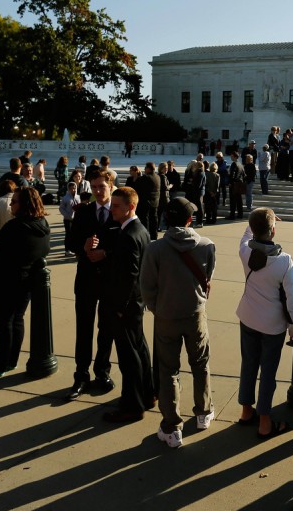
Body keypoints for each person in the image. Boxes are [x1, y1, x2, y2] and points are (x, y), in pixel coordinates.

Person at [141, 197, 216, 449]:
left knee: (168, 370)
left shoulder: (155, 249)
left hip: (166, 316)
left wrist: (158, 307)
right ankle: (203, 411)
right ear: (189, 219)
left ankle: (172, 426)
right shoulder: (206, 245)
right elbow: (207, 278)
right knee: (200, 362)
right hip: (195, 313)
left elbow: (146, 286)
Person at [91, 186, 157, 422]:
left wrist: (118, 307)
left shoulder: (128, 236)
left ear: (131, 207)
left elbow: (129, 276)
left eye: (117, 206)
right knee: (140, 350)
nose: (112, 209)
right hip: (136, 303)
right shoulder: (141, 231)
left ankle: (132, 406)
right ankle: (148, 394)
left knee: (129, 358)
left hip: (125, 306)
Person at [235, 208, 293, 438]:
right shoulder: (284, 261)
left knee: (248, 365)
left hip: (248, 317)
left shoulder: (245, 252)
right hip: (272, 325)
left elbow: (245, 237)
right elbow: (291, 299)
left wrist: (256, 221)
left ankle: (246, 411)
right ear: (273, 230)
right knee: (268, 372)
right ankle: (265, 422)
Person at [0, 187, 50, 379]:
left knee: (4, 324)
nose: (11, 204)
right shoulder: (42, 224)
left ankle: (0, 364)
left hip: (6, 281)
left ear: (25, 204)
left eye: (15, 201)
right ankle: (11, 360)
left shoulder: (16, 226)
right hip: (26, 282)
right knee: (16, 320)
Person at [64, 171, 122, 400]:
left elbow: (131, 245)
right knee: (84, 327)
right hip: (86, 279)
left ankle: (102, 371)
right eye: (95, 187)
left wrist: (105, 253)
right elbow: (70, 241)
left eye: (102, 187)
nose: (98, 191)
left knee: (106, 329)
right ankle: (81, 374)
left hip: (109, 280)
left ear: (111, 186)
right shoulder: (84, 212)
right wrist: (84, 246)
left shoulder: (119, 212)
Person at [136, 162, 161, 240]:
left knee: (145, 220)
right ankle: (154, 235)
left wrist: (139, 175)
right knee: (154, 219)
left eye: (145, 168)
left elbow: (138, 184)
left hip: (146, 202)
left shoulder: (146, 177)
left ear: (148, 168)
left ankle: (145, 236)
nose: (144, 169)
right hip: (155, 202)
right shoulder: (158, 177)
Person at [59, 181, 81, 256]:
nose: (73, 190)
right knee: (68, 234)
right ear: (68, 189)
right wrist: (67, 215)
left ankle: (73, 249)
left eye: (74, 188)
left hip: (76, 219)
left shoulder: (78, 197)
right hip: (68, 220)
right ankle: (67, 250)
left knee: (75, 234)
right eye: (71, 189)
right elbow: (61, 208)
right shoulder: (65, 198)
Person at [227, 152, 245, 220]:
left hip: (234, 183)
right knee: (239, 200)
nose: (231, 157)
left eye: (231, 156)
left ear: (234, 156)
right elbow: (244, 174)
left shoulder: (234, 164)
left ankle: (232, 215)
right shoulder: (240, 164)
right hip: (239, 183)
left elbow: (232, 174)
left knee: (233, 200)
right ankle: (240, 214)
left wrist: (230, 182)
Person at [203, 161, 220, 226]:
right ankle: (214, 219)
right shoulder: (217, 175)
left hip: (207, 193)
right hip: (214, 194)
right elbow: (217, 185)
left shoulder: (206, 174)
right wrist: (214, 193)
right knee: (214, 207)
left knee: (207, 207)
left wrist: (209, 191)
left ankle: (208, 219)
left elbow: (205, 184)